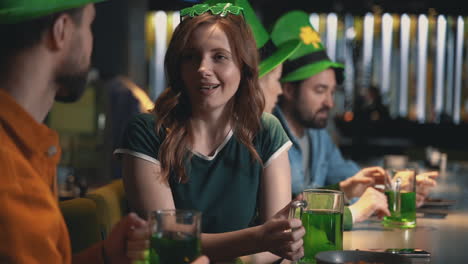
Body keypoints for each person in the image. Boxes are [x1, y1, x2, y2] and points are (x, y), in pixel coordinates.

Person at [0, 1, 207, 263]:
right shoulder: (11, 179)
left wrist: (104, 255)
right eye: (89, 25)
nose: (92, 42)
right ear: (61, 31)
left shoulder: (26, 148)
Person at [115, 2, 304, 263]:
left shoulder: (266, 130)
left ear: (243, 65)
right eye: (191, 56)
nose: (203, 68)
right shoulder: (147, 131)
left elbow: (277, 243)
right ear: (178, 66)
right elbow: (168, 240)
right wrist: (259, 239)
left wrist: (271, 242)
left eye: (219, 56)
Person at [270, 11, 438, 213]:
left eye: (332, 92)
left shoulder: (318, 134)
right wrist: (353, 210)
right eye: (320, 90)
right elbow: (285, 212)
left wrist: (395, 184)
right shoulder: (268, 134)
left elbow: (350, 178)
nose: (330, 103)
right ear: (288, 90)